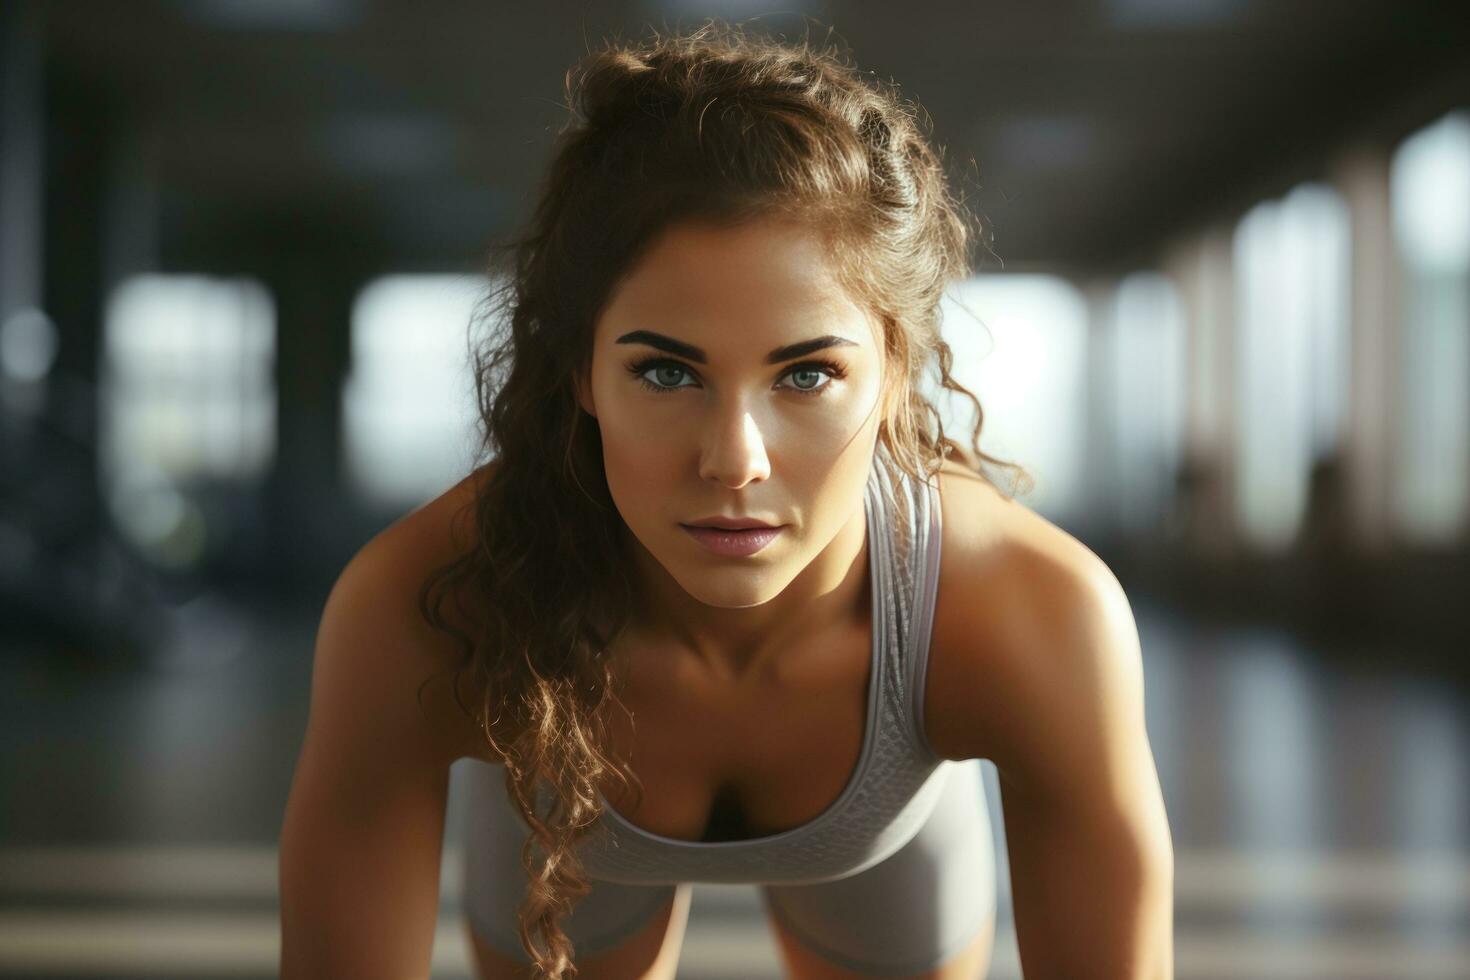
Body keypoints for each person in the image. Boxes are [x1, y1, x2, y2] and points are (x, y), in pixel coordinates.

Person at [278, 21, 1175, 980]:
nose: (734, 461)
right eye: (666, 373)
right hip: (561, 839)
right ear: (579, 370)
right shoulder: (429, 606)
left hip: (891, 859)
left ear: (896, 372)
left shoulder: (1028, 612)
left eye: (807, 375)